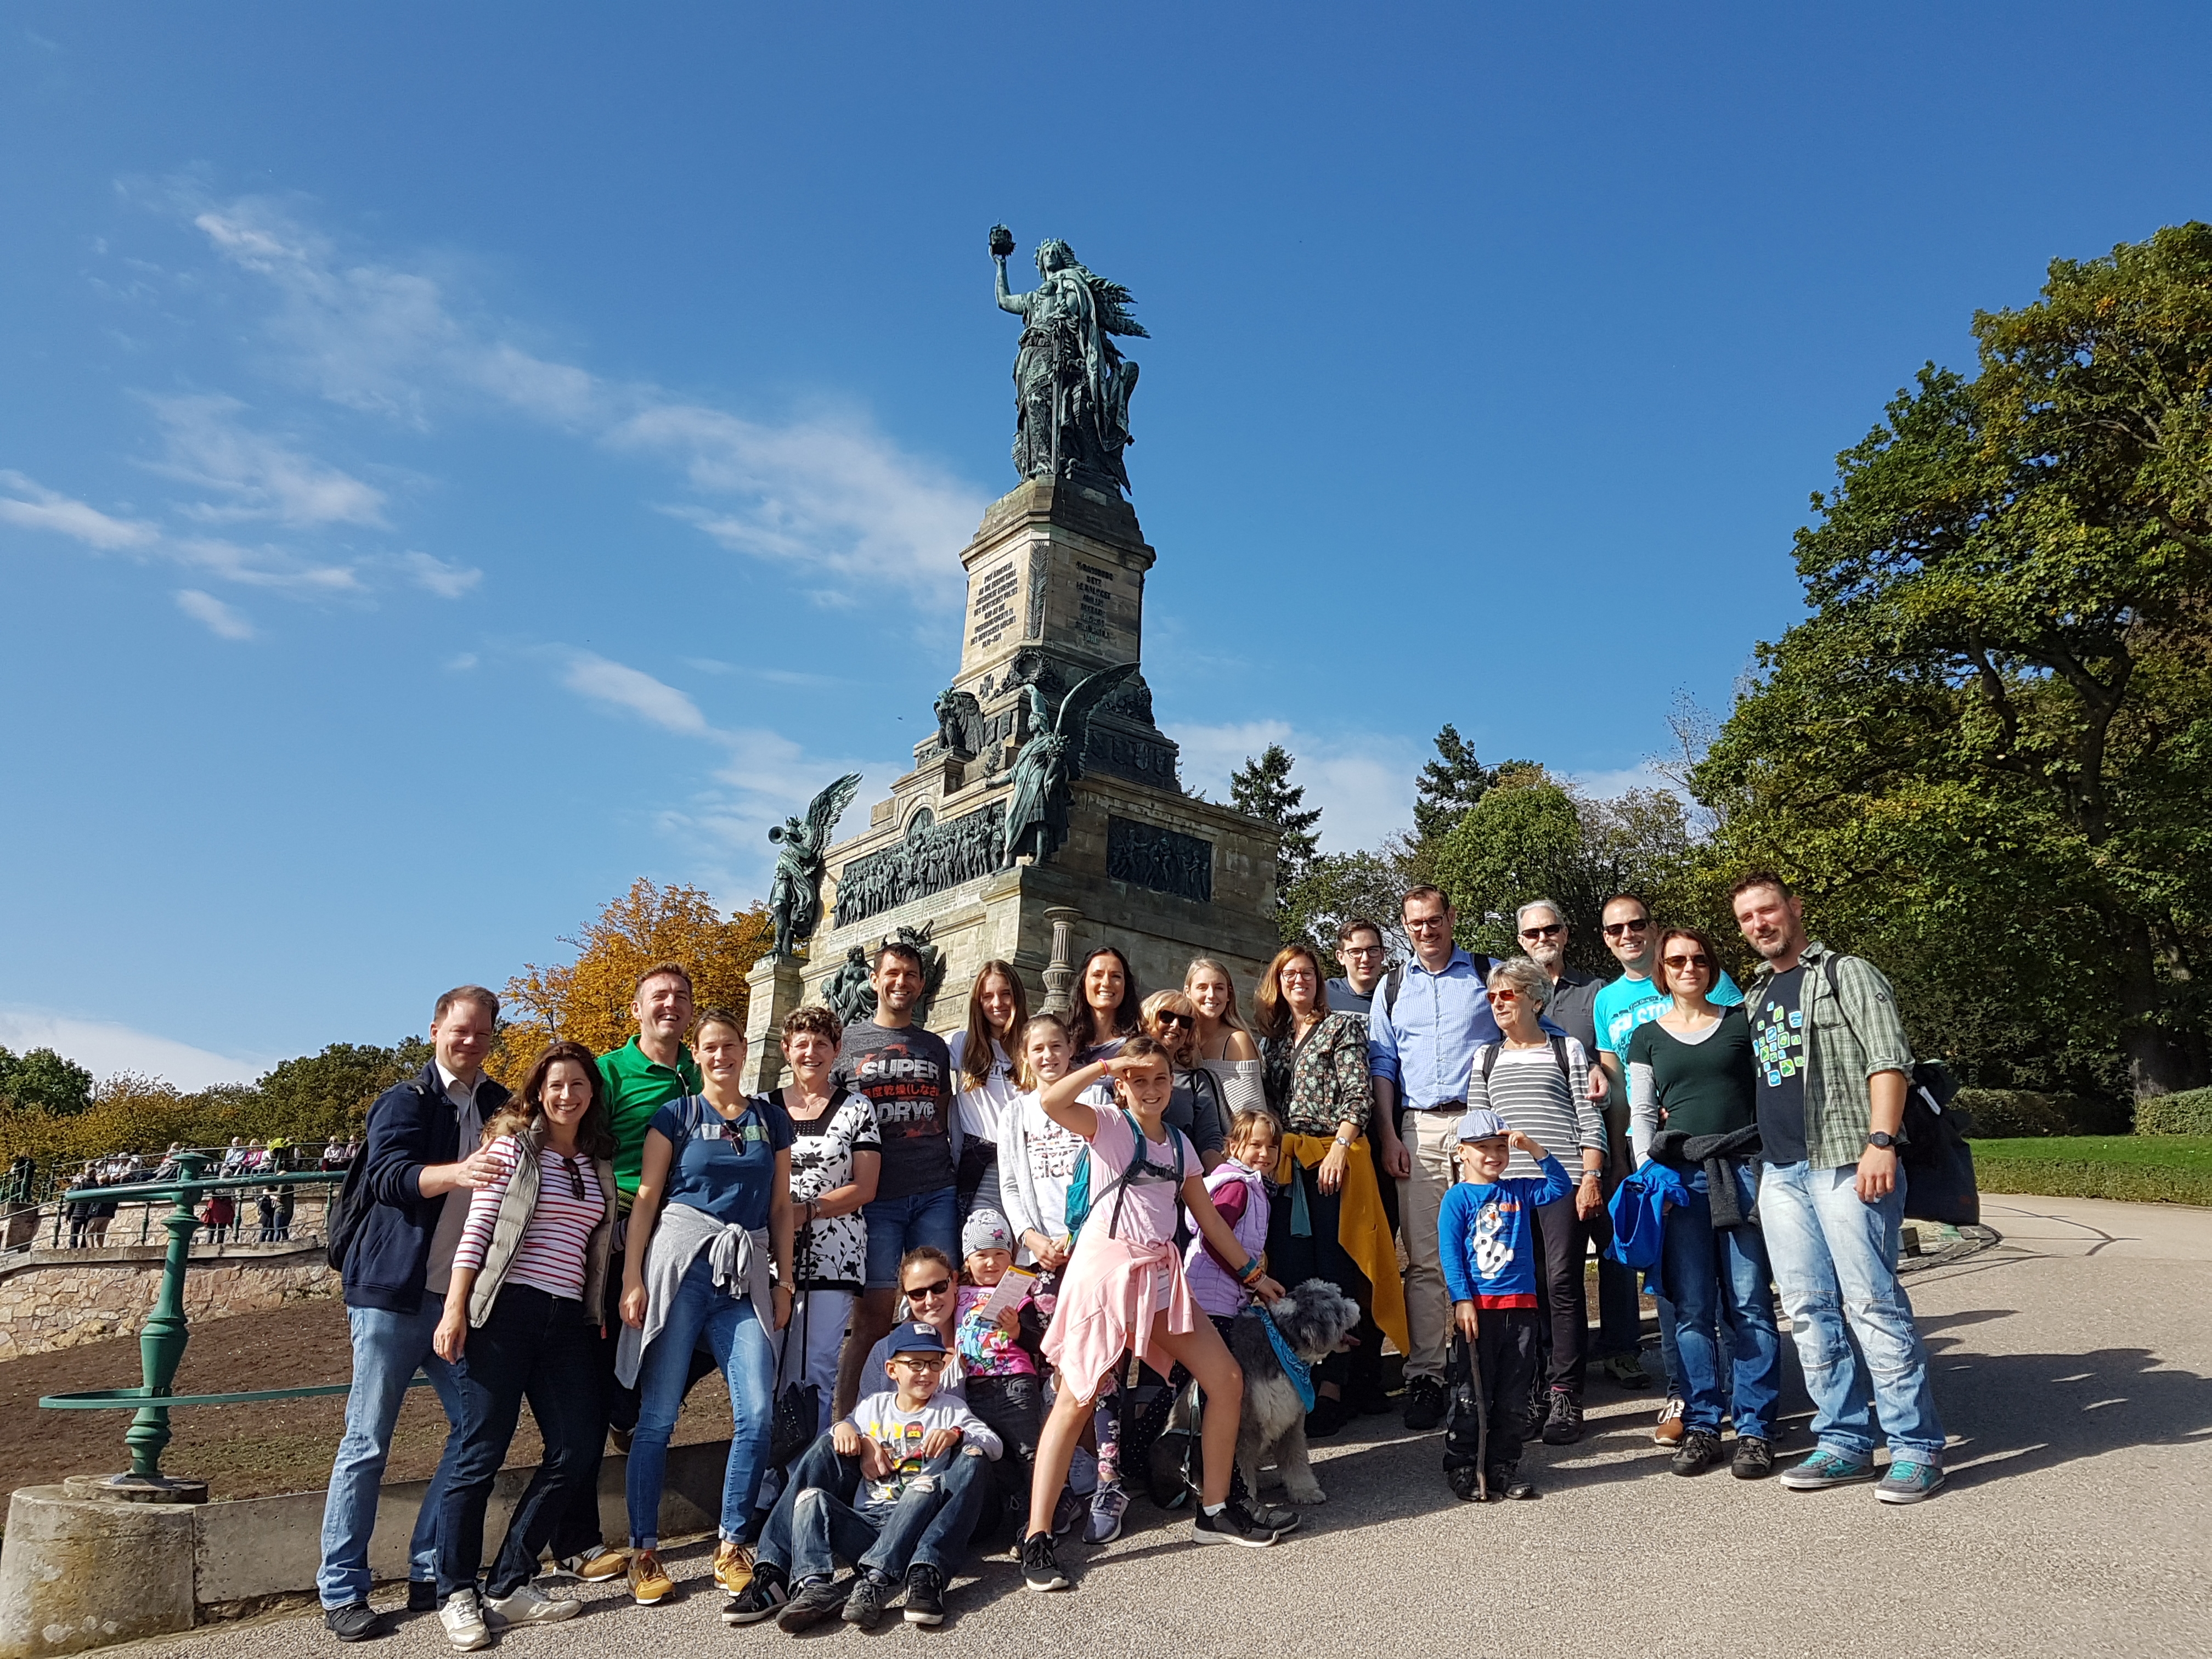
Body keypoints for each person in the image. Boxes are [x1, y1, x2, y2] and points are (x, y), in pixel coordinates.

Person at [1019, 1037, 1286, 1593]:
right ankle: (1037, 1535)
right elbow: (1051, 1101)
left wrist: (1254, 1277)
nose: (1150, 1089)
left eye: (1160, 1079)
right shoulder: (1108, 1125)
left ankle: (1215, 1510)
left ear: (1171, 1083)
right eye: (1138, 1080)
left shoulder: (1182, 1144)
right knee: (1076, 1399)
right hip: (1105, 1273)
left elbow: (1209, 1220)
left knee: (1225, 1379)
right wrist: (1107, 1064)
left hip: (1159, 1276)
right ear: (1122, 1086)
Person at [1731, 873, 1948, 1503]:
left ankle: (1916, 1449)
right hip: (1781, 1171)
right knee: (1808, 1311)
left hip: (1846, 1160)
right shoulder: (1757, 993)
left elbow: (1889, 1059)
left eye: (1768, 910)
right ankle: (1844, 1442)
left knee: (1872, 1304)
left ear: (1794, 909)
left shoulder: (1844, 973)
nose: (1759, 924)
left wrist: (1881, 1141)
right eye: (1747, 917)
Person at [317, 987, 507, 1643]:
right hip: (392, 1295)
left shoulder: (498, 1104)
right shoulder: (406, 1099)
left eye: (482, 1033)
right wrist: (460, 1173)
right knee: (367, 1442)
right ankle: (342, 1589)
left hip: (456, 1302)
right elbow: (388, 1178)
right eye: (461, 1031)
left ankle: (429, 1567)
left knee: (474, 1429)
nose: (471, 1042)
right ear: (435, 1031)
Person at [428, 1041, 619, 1648]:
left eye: (578, 1085)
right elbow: (477, 1230)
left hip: (566, 1319)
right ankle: (455, 1592)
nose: (567, 1095)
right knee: (480, 1452)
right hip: (504, 1311)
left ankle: (510, 1581)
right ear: (538, 1091)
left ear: (592, 1094)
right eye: (556, 1085)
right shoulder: (513, 1148)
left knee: (577, 1447)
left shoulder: (596, 1160)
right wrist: (455, 1309)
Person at [618, 1006, 796, 1606]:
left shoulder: (771, 1121)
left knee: (757, 1411)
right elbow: (647, 1199)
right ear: (697, 1056)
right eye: (710, 1047)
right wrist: (633, 1278)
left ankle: (732, 1543)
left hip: (744, 1272)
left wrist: (785, 1282)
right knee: (658, 1415)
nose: (721, 1056)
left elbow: (780, 1208)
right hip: (682, 1267)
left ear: (745, 1050)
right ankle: (644, 1550)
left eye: (730, 1046)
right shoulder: (677, 1115)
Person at [1625, 927, 1782, 1481]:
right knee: (1691, 1308)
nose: (1688, 968)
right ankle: (1701, 1424)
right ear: (1662, 971)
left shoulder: (1742, 1023)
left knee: (1749, 1303)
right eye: (1676, 961)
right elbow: (1642, 1112)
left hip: (1742, 1171)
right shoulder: (1645, 1037)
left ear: (1711, 966)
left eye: (1698, 959)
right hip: (1679, 1180)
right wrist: (1650, 1176)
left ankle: (1756, 1428)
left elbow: (1771, 1091)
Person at [566, 962, 704, 1583]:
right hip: (620, 1235)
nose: (670, 1004)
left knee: (705, 1339)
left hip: (686, 1236)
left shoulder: (700, 1070)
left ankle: (631, 1406)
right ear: (637, 1009)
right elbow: (576, 1142)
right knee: (592, 1384)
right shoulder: (610, 1073)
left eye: (681, 997)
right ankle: (580, 1541)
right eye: (659, 996)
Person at [1591, 893, 1745, 1443]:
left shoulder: (1702, 975)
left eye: (1636, 924)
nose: (1626, 935)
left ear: (1652, 928)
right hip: (1655, 1161)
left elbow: (1734, 1055)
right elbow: (1618, 1086)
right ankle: (1685, 1395)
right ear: (1605, 938)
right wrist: (1623, 1161)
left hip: (1722, 1154)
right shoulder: (1607, 1001)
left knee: (1737, 1289)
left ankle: (1741, 1396)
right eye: (1615, 929)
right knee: (1678, 1291)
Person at [1367, 885, 1520, 1432]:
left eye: (1434, 920)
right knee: (1427, 1261)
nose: (1426, 931)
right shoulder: (1391, 987)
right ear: (1404, 926)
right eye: (1416, 923)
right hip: (1419, 1127)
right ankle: (1427, 1375)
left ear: (1452, 917)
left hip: (1480, 1125)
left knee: (1490, 1254)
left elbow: (1524, 1028)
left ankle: (1485, 1370)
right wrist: (1389, 1135)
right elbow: (1382, 1065)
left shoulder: (1487, 972)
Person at [729, 1322, 1000, 1632]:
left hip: (915, 1521)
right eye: (915, 1364)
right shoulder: (874, 1406)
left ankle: (881, 1580)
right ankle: (812, 1585)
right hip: (867, 1525)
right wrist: (846, 1430)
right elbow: (846, 1428)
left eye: (934, 1364)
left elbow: (993, 1445)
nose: (926, 1372)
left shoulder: (950, 1409)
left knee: (926, 1485)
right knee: (812, 1494)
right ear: (892, 1369)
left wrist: (956, 1434)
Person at [1254, 944, 1406, 1430]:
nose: (1298, 981)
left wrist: (1341, 1146)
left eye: (1306, 973)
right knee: (1293, 1270)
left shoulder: (1342, 1026)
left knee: (1337, 1270)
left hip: (1333, 1159)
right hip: (1288, 1165)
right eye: (1289, 974)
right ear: (1277, 983)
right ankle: (1301, 1378)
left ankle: (1336, 1385)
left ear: (1319, 980)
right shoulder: (1272, 1041)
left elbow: (1359, 1093)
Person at [1463, 957, 1607, 1446]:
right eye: (1492, 997)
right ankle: (1533, 1391)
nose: (1498, 1004)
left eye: (1507, 994)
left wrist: (1591, 1176)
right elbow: (1476, 1130)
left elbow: (1589, 1118)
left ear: (1536, 1000)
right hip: (1506, 1190)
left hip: (1559, 1183)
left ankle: (1567, 1394)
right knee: (1525, 1289)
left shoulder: (1566, 1050)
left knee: (1562, 1283)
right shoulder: (1485, 1058)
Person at [1515, 899, 1647, 1390]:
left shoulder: (1597, 993)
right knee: (1549, 1263)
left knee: (1613, 1250)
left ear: (1566, 933)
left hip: (1600, 1141)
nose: (1542, 939)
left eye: (1550, 929)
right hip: (1542, 1151)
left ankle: (1622, 1350)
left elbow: (1614, 1062)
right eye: (1532, 933)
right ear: (1521, 941)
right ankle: (1555, 1357)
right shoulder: (1512, 995)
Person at [832, 941, 958, 1418]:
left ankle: (943, 1417)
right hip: (876, 1197)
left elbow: (941, 1112)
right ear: (874, 979)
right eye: (892, 973)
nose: (901, 982)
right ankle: (847, 1423)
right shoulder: (846, 1043)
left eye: (910, 974)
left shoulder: (935, 1047)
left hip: (934, 1190)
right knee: (872, 1317)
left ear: (921, 984)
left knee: (941, 1312)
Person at [1437, 1112, 1573, 1501]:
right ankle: (1464, 1465)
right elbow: (1450, 1253)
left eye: (1500, 1147)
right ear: (1462, 1153)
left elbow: (1560, 1186)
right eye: (1483, 1148)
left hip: (1522, 1308)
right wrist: (1462, 1299)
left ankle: (1502, 1465)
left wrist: (1533, 1148)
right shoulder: (1457, 1199)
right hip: (1479, 1310)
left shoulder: (1518, 1191)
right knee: (1472, 1393)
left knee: (1515, 1396)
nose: (1493, 1155)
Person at [776, 1006, 881, 1415]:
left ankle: (812, 1456)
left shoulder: (857, 1108)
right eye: (802, 1043)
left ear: (836, 1050)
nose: (811, 1052)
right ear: (786, 1049)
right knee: (765, 1368)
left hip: (834, 1254)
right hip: (770, 1256)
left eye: (822, 1043)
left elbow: (865, 1186)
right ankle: (763, 1457)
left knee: (815, 1368)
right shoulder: (762, 1108)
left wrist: (807, 1211)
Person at [951, 1209, 1043, 1524]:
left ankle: (1044, 1513)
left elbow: (1036, 1342)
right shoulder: (958, 1295)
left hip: (1015, 1383)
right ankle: (1018, 1507)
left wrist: (1016, 1329)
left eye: (999, 1254)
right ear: (967, 1261)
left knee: (1029, 1451)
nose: (991, 1263)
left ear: (1011, 1257)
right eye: (981, 1255)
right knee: (992, 1452)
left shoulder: (1018, 1295)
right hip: (974, 1389)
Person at [947, 961, 1028, 1218]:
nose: (997, 1003)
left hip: (1026, 1158)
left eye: (1006, 994)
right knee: (983, 1238)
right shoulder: (962, 1044)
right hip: (980, 1163)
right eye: (988, 996)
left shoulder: (1034, 1045)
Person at [1139, 990, 1230, 1173]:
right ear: (1147, 1021)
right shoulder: (1123, 1070)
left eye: (1185, 1022)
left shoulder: (1196, 1081)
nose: (1175, 1025)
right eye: (1166, 1017)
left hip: (1178, 1175)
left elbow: (1209, 1140)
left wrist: (1228, 1179)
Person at [1183, 957, 1265, 1118]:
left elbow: (1251, 1114)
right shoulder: (1180, 1038)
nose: (1211, 995)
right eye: (1202, 987)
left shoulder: (1237, 1041)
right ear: (1188, 992)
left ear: (1229, 994)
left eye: (1219, 988)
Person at [1070, 946, 1141, 1064]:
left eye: (1116, 976)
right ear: (1083, 984)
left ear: (1126, 986)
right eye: (1097, 975)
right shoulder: (1064, 1044)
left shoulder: (1139, 1049)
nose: (1106, 983)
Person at [1324, 917, 1390, 1017]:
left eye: (1373, 950)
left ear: (1382, 954)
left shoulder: (1396, 999)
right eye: (1355, 952)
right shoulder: (1322, 994)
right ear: (1341, 957)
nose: (1365, 959)